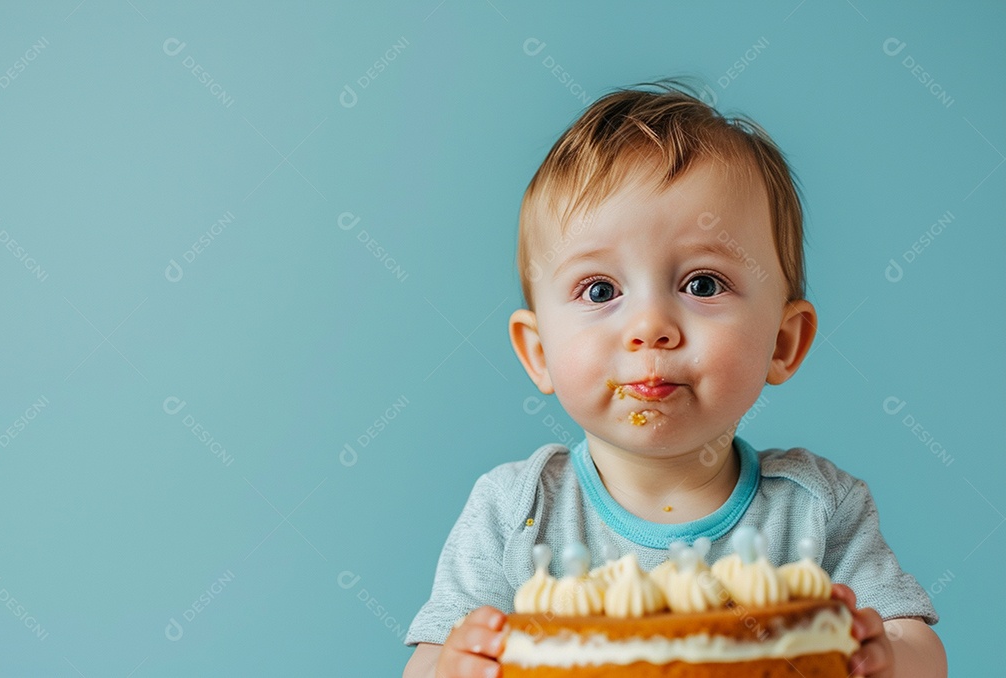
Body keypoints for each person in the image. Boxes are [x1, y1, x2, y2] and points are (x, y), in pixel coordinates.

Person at [402, 80, 946, 678]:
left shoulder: (818, 508)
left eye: (702, 284)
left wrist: (883, 657)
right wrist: (455, 667)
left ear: (784, 343)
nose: (651, 328)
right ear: (538, 353)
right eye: (600, 290)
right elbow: (430, 661)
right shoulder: (517, 509)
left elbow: (918, 651)